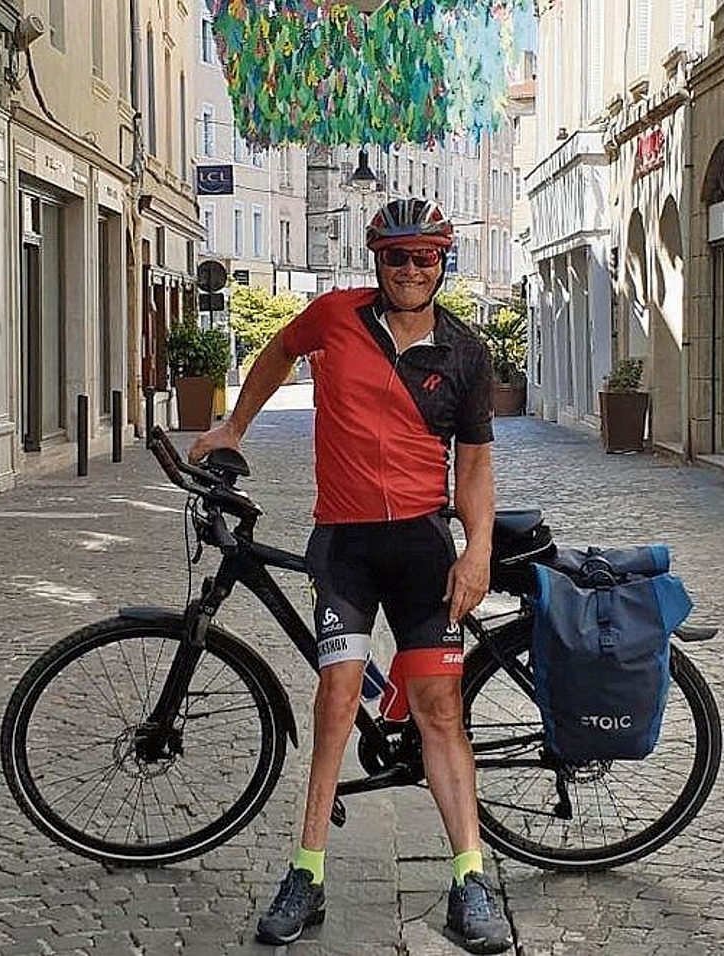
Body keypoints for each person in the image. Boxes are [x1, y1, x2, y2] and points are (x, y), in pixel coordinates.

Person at [188, 198, 512, 955]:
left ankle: (470, 877)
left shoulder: (464, 352)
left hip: (424, 547)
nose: (409, 270)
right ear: (377, 261)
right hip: (344, 545)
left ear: (442, 263)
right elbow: (274, 353)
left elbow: (475, 467)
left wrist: (477, 550)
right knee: (336, 696)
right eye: (397, 257)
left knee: (438, 710)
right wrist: (236, 425)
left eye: (424, 257)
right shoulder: (335, 316)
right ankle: (307, 871)